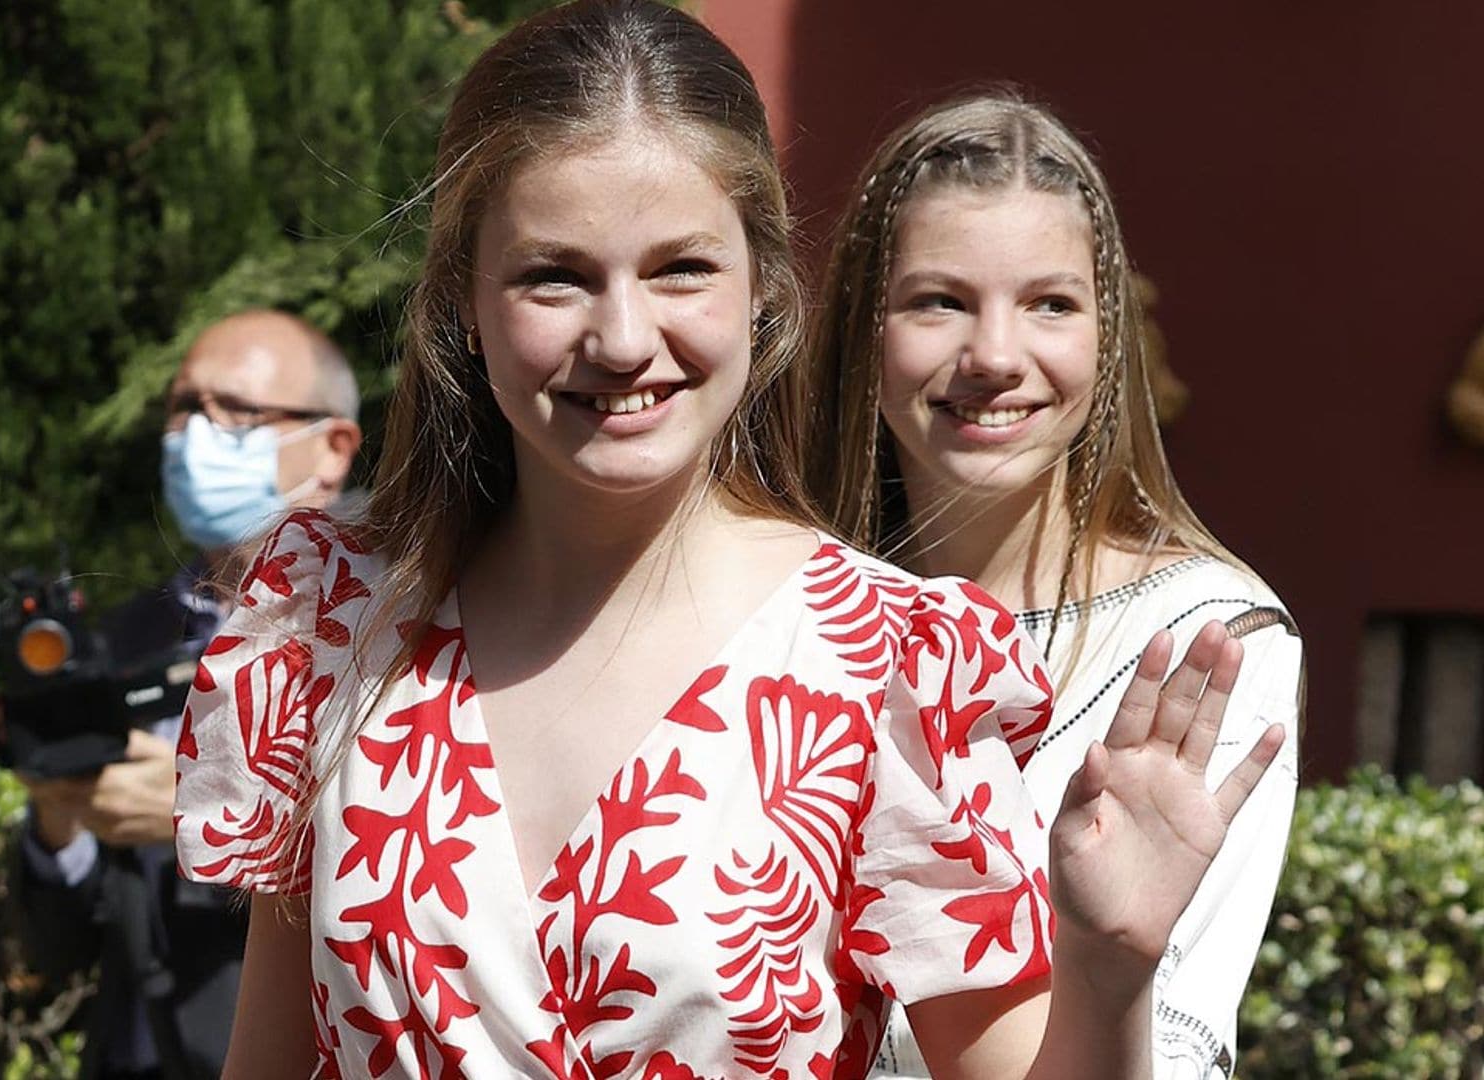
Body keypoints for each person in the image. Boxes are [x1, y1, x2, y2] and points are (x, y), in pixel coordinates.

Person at [173, 5, 1284, 1078]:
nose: (621, 337)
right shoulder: (331, 619)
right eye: (554, 275)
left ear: (763, 284)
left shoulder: (885, 668)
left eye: (680, 270)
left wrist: (1109, 969)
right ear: (464, 297)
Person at [796, 92, 1304, 1080]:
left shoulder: (1207, 642)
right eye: (937, 300)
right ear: (865, 324)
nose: (994, 356)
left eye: (1050, 304)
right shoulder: (774, 603)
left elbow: (1174, 1049)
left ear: (1107, 339)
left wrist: (1110, 967)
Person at [14, 309, 362, 1080]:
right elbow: (55, 949)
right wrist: (58, 815)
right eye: (184, 409)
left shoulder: (385, 636)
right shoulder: (123, 635)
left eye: (235, 412)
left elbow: (397, 874)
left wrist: (188, 822)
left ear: (333, 447)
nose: (198, 435)